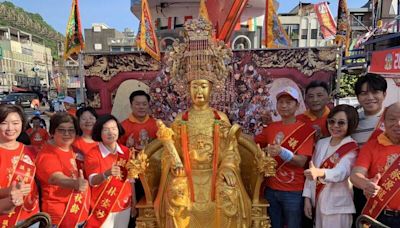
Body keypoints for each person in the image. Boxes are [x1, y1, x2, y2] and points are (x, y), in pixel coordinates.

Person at [154, 18, 252, 227]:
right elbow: (171, 152)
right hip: (188, 176)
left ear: (212, 88)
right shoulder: (182, 119)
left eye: (203, 86)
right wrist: (174, 162)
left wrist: (227, 167)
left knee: (228, 193)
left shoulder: (219, 118)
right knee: (176, 194)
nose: (199, 91)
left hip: (214, 174)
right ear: (187, 89)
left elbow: (231, 150)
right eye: (194, 86)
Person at [255, 86, 315, 228]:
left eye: (289, 102)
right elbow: (253, 143)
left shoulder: (305, 130)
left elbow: (301, 161)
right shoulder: (271, 127)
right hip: (271, 189)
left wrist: (282, 152)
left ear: (297, 105)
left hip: (293, 191)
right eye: (281, 102)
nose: (284, 105)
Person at [303, 104, 359, 228]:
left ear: (351, 124)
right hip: (317, 203)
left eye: (341, 123)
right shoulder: (321, 143)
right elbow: (311, 170)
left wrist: (320, 173)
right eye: (332, 121)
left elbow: (341, 172)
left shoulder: (351, 147)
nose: (335, 126)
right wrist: (307, 197)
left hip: (338, 207)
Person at [350, 102, 400, 228]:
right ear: (384, 121)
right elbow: (355, 175)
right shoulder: (371, 146)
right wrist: (366, 184)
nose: (397, 124)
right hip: (379, 216)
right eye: (392, 119)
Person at [35, 113, 90, 227]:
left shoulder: (75, 150)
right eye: (61, 130)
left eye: (71, 130)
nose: (67, 134)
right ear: (52, 132)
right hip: (60, 217)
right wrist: (74, 183)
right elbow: (55, 178)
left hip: (80, 211)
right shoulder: (47, 154)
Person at [84, 115, 135, 228]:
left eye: (114, 128)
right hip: (102, 206)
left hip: (124, 206)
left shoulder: (126, 152)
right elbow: (92, 180)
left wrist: (134, 203)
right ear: (99, 132)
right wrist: (106, 174)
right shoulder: (93, 154)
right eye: (106, 129)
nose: (110, 133)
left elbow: (131, 180)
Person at [351, 73, 387, 227]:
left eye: (375, 92)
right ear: (358, 97)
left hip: (389, 184)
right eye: (364, 93)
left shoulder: (392, 118)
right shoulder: (353, 121)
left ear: (384, 94)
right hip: (360, 185)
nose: (370, 97)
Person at [0, 104, 39, 226]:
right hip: (4, 218)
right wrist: (8, 191)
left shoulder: (31, 151)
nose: (10, 128)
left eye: (15, 123)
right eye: (4, 123)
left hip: (31, 217)